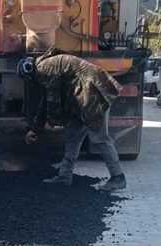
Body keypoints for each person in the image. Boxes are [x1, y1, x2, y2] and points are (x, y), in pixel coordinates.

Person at [18, 52, 127, 190]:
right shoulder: (45, 67)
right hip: (80, 99)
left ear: (28, 74)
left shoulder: (44, 69)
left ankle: (118, 177)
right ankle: (64, 176)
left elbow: (53, 100)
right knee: (73, 136)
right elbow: (45, 101)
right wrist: (35, 129)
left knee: (99, 137)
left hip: (93, 95)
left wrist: (51, 122)